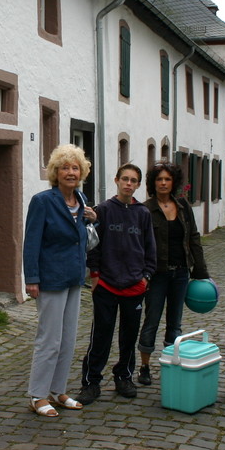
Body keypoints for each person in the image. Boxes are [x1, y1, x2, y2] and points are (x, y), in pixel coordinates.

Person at [23, 144, 97, 417]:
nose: (70, 172)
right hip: (50, 279)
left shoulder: (81, 199)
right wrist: (32, 278)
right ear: (55, 172)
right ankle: (38, 394)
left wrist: (94, 219)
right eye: (64, 167)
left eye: (75, 167)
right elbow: (32, 242)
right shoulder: (43, 201)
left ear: (82, 172)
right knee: (49, 339)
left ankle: (58, 390)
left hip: (74, 277)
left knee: (67, 339)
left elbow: (82, 236)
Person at [75, 163, 156, 405]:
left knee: (129, 337)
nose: (128, 184)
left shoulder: (142, 214)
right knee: (101, 335)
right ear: (116, 180)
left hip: (134, 285)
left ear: (138, 185)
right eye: (125, 179)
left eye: (133, 180)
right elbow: (93, 244)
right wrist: (96, 274)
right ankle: (91, 382)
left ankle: (124, 377)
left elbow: (151, 249)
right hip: (107, 285)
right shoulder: (104, 210)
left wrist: (146, 277)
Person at [136, 162, 209, 386]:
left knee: (175, 324)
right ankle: (145, 366)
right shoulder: (145, 209)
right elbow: (139, 244)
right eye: (159, 179)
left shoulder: (183, 207)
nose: (164, 183)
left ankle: (170, 363)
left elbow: (193, 237)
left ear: (173, 182)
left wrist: (201, 271)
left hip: (180, 274)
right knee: (152, 320)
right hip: (157, 275)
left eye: (167, 179)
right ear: (153, 183)